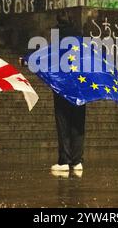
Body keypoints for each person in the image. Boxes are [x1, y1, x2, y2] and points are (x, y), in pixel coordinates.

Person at [21, 13, 86, 173]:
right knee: (78, 124)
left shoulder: (58, 38)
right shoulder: (81, 40)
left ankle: (64, 161)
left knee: (63, 123)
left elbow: (46, 56)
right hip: (80, 87)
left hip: (62, 88)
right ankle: (77, 161)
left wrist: (27, 60)